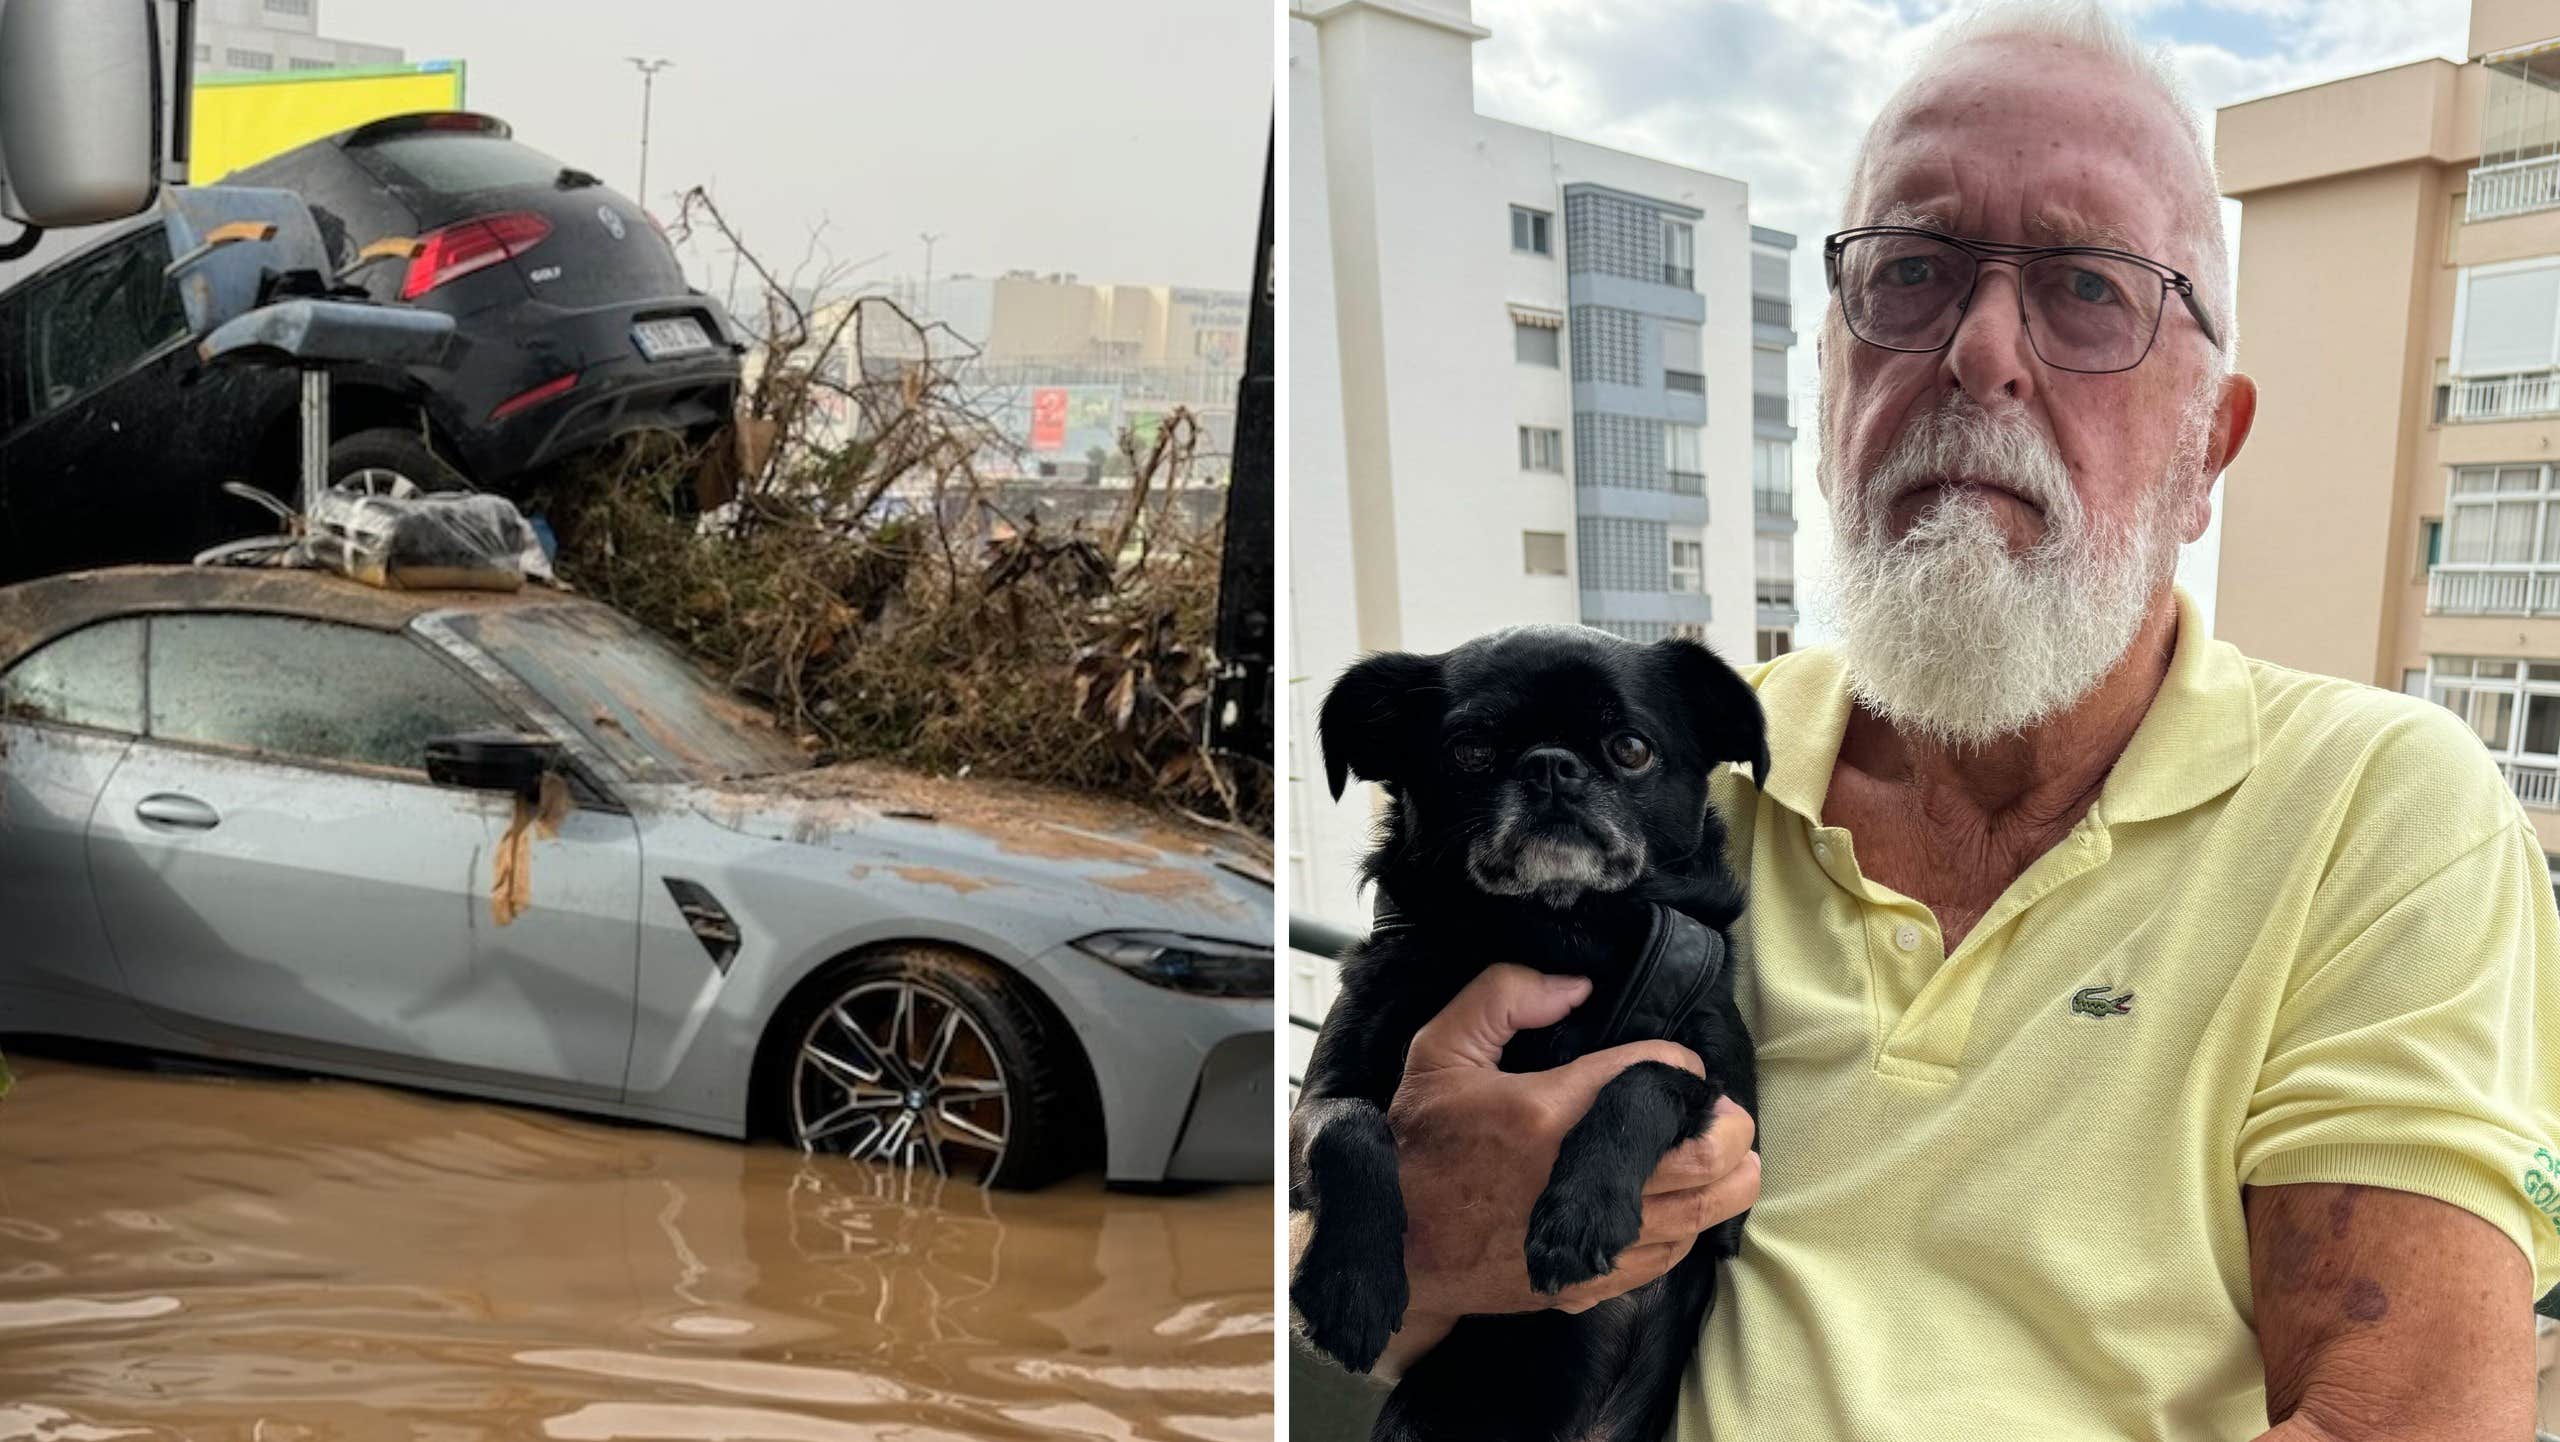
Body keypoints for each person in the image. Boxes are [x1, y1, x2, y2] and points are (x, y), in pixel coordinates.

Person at [1294, 3, 2560, 1437]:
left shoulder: (2377, 811)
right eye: (1910, 272)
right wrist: (1417, 1229)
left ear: (2210, 445)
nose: (1981, 351)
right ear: (1826, 387)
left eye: (2087, 286)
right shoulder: (1685, 777)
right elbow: (1360, 1203)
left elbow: (2412, 1414)